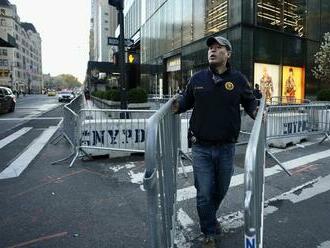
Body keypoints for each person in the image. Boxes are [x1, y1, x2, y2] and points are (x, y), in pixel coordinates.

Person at [172, 36, 257, 247]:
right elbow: (185, 102)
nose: (212, 51)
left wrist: (258, 112)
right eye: (211, 48)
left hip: (227, 147)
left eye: (218, 48)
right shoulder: (198, 79)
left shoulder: (238, 79)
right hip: (201, 147)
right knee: (204, 193)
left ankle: (209, 218)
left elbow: (250, 102)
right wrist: (175, 106)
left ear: (228, 54)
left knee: (220, 190)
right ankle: (209, 232)